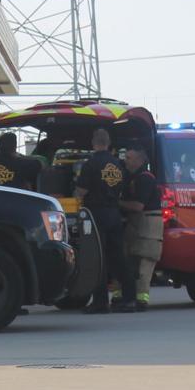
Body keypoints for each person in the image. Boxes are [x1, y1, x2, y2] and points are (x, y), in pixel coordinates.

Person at [75, 128, 133, 313]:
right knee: (118, 257)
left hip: (95, 214)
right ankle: (130, 298)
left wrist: (75, 192)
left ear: (93, 143)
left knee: (97, 258)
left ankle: (100, 302)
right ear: (108, 143)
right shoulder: (118, 165)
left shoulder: (90, 164)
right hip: (114, 214)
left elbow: (81, 191)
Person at [119, 146, 163, 312]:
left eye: (129, 157)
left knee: (145, 262)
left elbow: (138, 206)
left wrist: (116, 203)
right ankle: (130, 298)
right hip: (137, 225)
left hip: (148, 226)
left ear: (139, 160)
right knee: (130, 260)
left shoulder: (145, 179)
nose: (125, 160)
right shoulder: (134, 178)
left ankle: (141, 300)